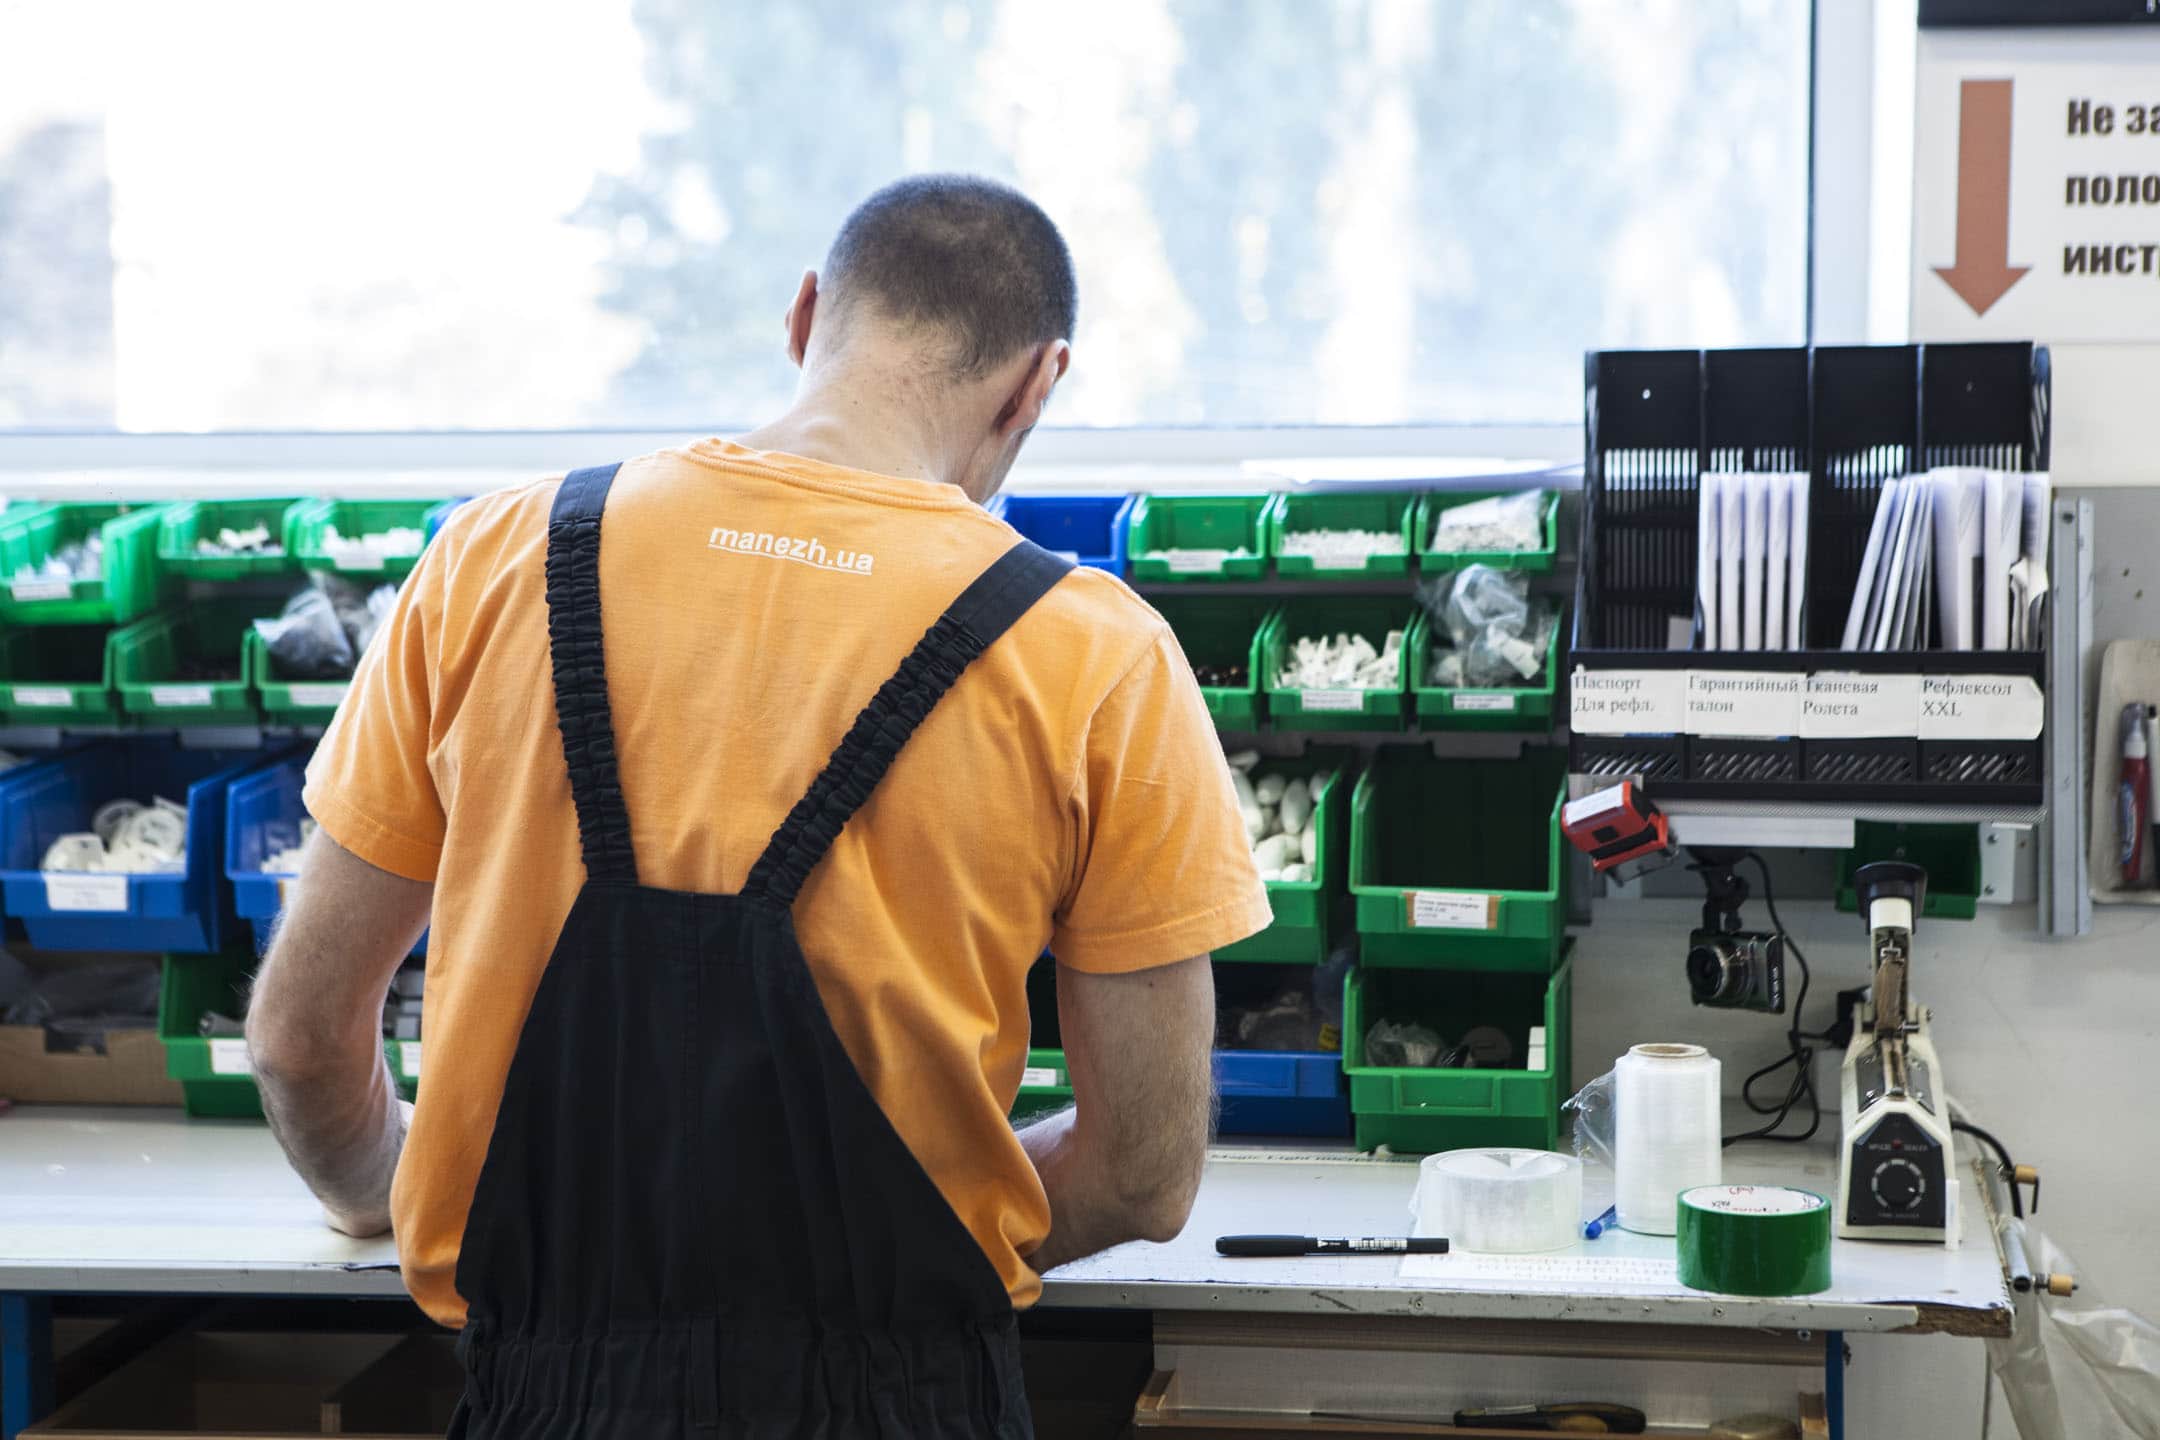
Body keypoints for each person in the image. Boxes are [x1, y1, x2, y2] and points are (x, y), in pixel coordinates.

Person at [246, 174, 1270, 1438]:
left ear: (802, 317)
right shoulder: (1098, 656)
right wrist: (922, 1250)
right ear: (1034, 387)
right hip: (903, 1402)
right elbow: (1144, 1173)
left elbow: (301, 1040)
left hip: (550, 1401)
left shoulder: (494, 559)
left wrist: (382, 1190)